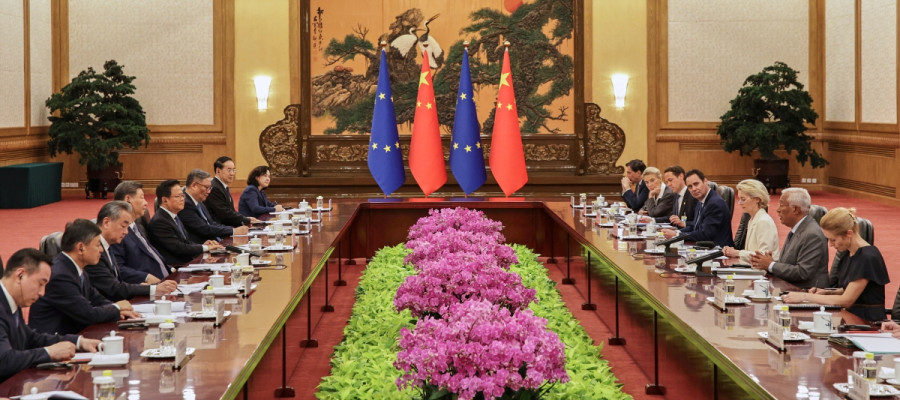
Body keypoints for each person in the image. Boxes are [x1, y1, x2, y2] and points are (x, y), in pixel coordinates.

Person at [0, 249, 101, 382]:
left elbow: (31, 339)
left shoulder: (12, 301)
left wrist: (78, 342)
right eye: (40, 284)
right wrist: (49, 352)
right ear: (20, 275)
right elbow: (3, 360)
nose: (42, 293)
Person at [28, 219, 141, 335]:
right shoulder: (60, 276)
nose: (101, 250)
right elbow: (88, 314)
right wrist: (116, 308)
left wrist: (120, 309)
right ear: (81, 248)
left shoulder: (77, 268)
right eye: (98, 245)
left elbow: (96, 299)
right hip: (55, 340)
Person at [783, 208, 889, 322]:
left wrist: (805, 297)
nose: (830, 244)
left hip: (867, 322)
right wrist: (827, 292)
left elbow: (846, 300)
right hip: (850, 317)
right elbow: (850, 288)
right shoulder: (849, 253)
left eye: (833, 240)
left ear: (849, 233)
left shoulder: (867, 257)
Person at [85, 201, 178, 302]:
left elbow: (118, 283)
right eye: (123, 226)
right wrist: (152, 289)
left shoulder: (108, 245)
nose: (126, 232)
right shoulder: (93, 251)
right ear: (106, 222)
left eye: (128, 227)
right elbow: (113, 288)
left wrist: (141, 287)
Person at [749, 188, 828, 289]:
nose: (778, 210)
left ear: (795, 209)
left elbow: (802, 272)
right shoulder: (798, 229)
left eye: (781, 205)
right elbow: (789, 264)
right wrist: (767, 263)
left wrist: (771, 265)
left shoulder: (812, 234)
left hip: (806, 292)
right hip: (790, 288)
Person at [148, 180, 223, 265]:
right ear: (165, 200)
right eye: (178, 196)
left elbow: (186, 242)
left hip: (187, 260)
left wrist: (202, 244)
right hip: (178, 266)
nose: (182, 199)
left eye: (182, 195)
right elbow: (179, 248)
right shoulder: (160, 222)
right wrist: (205, 247)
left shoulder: (174, 216)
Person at [111, 181, 173, 280]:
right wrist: (146, 277)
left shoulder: (136, 226)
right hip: (151, 285)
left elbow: (152, 256)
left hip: (168, 278)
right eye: (142, 197)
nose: (146, 203)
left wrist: (172, 270)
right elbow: (118, 269)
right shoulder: (117, 232)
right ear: (128, 199)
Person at [662, 169, 734, 247]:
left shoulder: (714, 203)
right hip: (705, 246)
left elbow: (705, 234)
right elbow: (695, 226)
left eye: (696, 184)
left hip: (718, 249)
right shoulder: (701, 200)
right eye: (690, 186)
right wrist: (677, 232)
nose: (694, 189)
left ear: (705, 181)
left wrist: (677, 235)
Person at [179, 169, 249, 244]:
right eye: (206, 187)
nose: (209, 191)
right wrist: (233, 231)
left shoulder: (198, 201)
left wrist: (233, 229)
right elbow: (204, 229)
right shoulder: (185, 204)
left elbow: (211, 223)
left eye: (210, 188)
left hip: (214, 241)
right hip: (202, 245)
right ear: (194, 185)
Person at [722, 179, 778, 263]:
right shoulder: (752, 219)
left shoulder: (763, 221)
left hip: (763, 270)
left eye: (743, 199)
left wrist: (737, 253)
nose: (740, 203)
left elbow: (763, 256)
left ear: (757, 199)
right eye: (739, 199)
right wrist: (733, 252)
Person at [205, 156, 261, 227]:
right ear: (218, 170)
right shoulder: (214, 188)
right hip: (219, 229)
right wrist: (246, 220)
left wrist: (245, 219)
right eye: (229, 170)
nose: (232, 173)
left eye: (234, 170)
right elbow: (224, 214)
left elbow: (231, 211)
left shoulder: (223, 186)